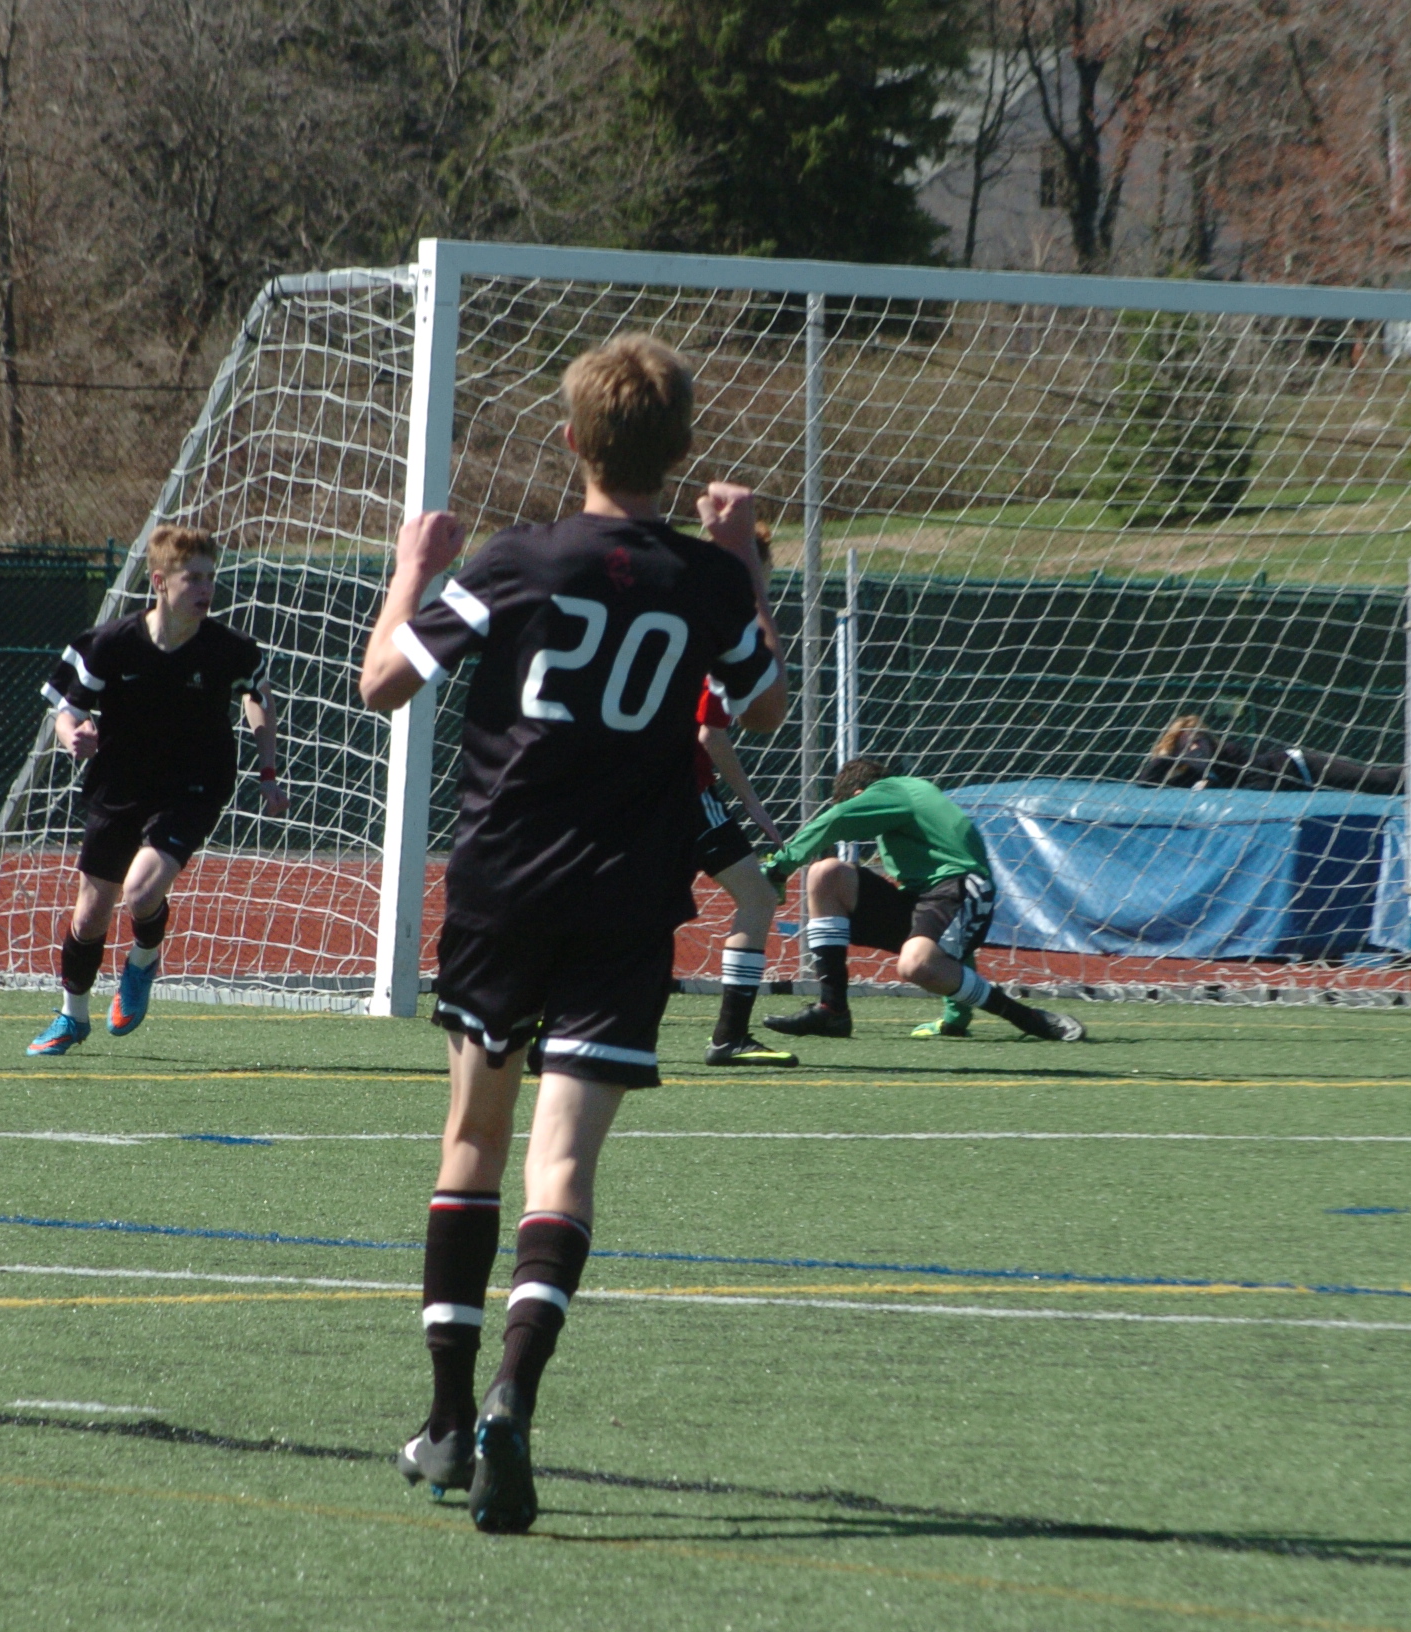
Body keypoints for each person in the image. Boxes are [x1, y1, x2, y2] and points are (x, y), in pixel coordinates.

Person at [357, 332, 783, 1536]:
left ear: (570, 440)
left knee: (471, 1144)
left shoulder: (516, 560)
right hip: (626, 899)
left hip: (504, 889)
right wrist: (745, 564)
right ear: (681, 450)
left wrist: (410, 570)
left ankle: (446, 1422)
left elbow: (383, 683)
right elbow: (762, 704)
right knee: (564, 1170)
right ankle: (514, 1397)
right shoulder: (702, 581)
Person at [27, 524, 287, 1056]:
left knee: (142, 891)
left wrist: (268, 770)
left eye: (210, 578)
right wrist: (72, 736)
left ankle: (143, 959)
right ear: (160, 581)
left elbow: (257, 697)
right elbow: (68, 710)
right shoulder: (112, 643)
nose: (205, 589)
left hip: (194, 785)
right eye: (193, 578)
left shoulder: (229, 649)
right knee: (89, 915)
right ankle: (72, 1016)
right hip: (119, 782)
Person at [760, 757, 1085, 1044]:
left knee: (915, 965)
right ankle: (832, 1010)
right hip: (925, 900)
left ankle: (1025, 1017)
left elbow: (836, 819)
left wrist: (779, 868)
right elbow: (947, 944)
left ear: (861, 795)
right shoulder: (911, 816)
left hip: (961, 889)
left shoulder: (896, 790)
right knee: (825, 874)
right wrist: (956, 1019)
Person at [694, 522, 795, 1066]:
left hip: (626, 781)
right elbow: (710, 734)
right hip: (682, 790)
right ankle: (729, 1035)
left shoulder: (675, 608)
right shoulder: (724, 627)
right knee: (757, 896)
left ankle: (542, 1015)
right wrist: (753, 804)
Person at [1136, 712, 1411, 794]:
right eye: (1188, 741)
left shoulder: (1215, 750)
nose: (1197, 742)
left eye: (1198, 737)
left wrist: (1205, 771)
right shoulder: (1185, 774)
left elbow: (1209, 759)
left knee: (1382, 781)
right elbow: (1144, 783)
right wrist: (1167, 756)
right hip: (1297, 791)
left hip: (1303, 767)